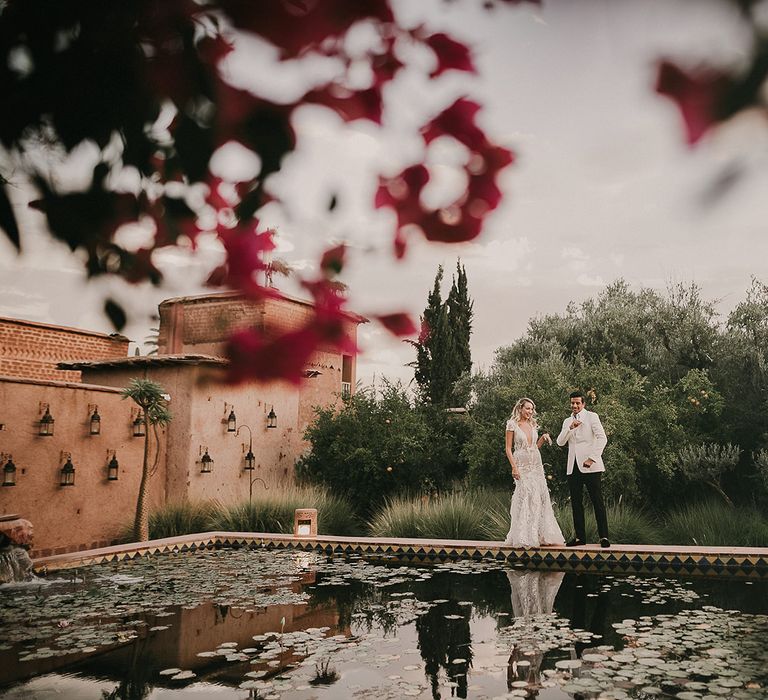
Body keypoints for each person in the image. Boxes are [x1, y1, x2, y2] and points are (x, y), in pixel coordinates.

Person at [504, 397, 565, 548]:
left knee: (539, 497)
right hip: (522, 466)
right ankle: (524, 536)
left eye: (532, 409)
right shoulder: (512, 424)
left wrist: (543, 439)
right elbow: (507, 448)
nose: (530, 412)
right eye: (527, 409)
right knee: (524, 496)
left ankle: (540, 535)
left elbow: (534, 447)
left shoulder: (533, 424)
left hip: (536, 465)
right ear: (520, 409)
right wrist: (514, 467)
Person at [556, 390, 610, 548]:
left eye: (578, 403)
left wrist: (592, 458)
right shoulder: (567, 421)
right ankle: (580, 537)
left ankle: (604, 537)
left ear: (583, 404)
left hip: (591, 466)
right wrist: (570, 428)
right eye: (572, 403)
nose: (574, 405)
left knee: (597, 501)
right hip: (573, 467)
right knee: (576, 503)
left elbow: (602, 438)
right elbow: (560, 442)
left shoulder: (592, 417)